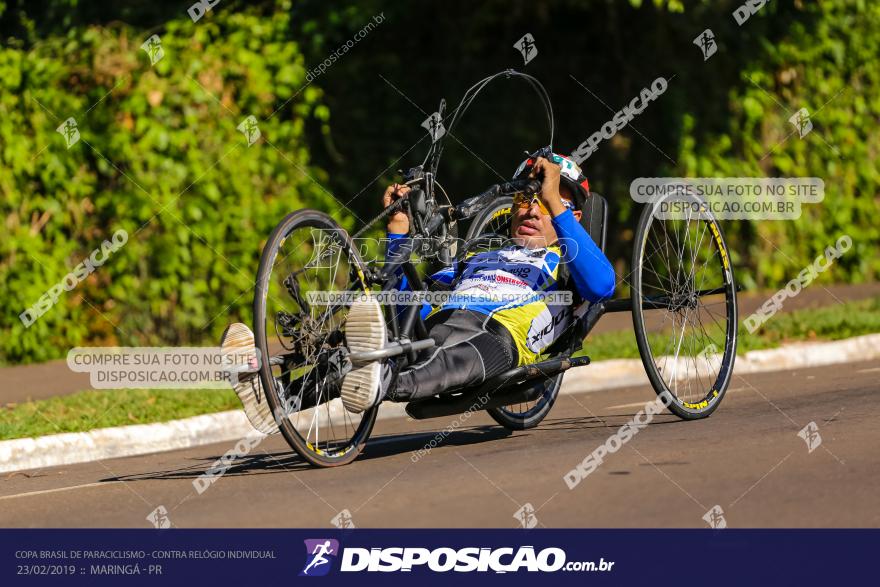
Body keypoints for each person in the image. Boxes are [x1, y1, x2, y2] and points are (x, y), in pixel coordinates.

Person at [339, 153, 616, 413]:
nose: (532, 211)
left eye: (543, 203)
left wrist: (554, 200)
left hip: (496, 336)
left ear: (573, 217)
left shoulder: (569, 262)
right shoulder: (477, 254)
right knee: (364, 357)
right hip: (440, 325)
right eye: (523, 199)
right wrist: (398, 231)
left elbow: (602, 287)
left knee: (447, 360)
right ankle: (311, 385)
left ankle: (383, 381)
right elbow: (409, 313)